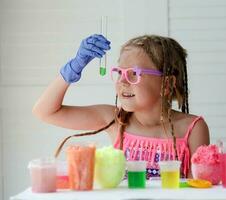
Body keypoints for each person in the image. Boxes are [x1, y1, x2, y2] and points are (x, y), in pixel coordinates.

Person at [32, 34, 209, 179]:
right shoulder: (115, 121)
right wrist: (72, 69)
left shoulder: (193, 129)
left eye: (134, 74)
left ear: (167, 84)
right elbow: (45, 112)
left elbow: (199, 191)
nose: (123, 82)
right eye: (119, 73)